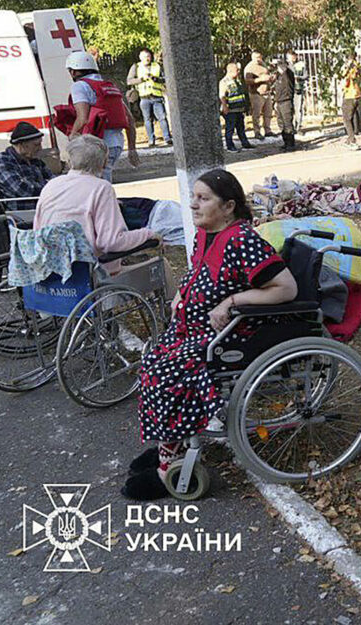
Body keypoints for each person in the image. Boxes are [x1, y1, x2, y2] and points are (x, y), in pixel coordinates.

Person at [122, 169, 298, 500]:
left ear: (229, 206)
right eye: (194, 197)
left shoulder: (243, 241)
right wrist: (182, 295)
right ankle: (169, 445)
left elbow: (286, 288)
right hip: (194, 328)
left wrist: (233, 300)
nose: (193, 205)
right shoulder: (207, 234)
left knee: (165, 372)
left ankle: (166, 470)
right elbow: (200, 271)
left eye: (204, 199)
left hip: (231, 335)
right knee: (152, 362)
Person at [33, 135, 156, 273]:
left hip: (50, 270)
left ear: (70, 160)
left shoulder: (52, 185)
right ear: (103, 163)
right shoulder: (101, 188)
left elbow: (37, 229)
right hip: (91, 273)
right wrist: (148, 234)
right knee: (160, 267)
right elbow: (111, 242)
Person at [65, 50, 138, 183]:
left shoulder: (80, 86)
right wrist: (132, 149)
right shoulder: (109, 86)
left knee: (95, 185)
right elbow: (130, 118)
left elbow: (83, 118)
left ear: (73, 71)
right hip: (116, 144)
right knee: (102, 181)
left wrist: (73, 135)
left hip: (96, 144)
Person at [0, 122, 54, 208]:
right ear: (22, 145)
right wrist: (51, 187)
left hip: (43, 207)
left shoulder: (34, 159)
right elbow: (23, 190)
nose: (40, 148)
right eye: (36, 145)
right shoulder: (2, 161)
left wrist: (55, 185)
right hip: (20, 214)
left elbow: (53, 179)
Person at [126, 49, 171, 147]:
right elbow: (129, 81)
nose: (147, 59)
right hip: (144, 97)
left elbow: (165, 79)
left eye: (148, 56)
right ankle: (151, 140)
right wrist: (141, 79)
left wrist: (155, 78)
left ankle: (167, 138)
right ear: (140, 58)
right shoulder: (136, 67)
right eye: (144, 57)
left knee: (162, 118)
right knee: (147, 119)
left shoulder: (157, 66)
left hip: (157, 97)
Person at [218, 62, 253, 152]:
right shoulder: (224, 82)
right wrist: (225, 107)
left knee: (241, 127)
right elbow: (222, 96)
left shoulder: (237, 80)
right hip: (230, 109)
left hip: (239, 108)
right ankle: (230, 146)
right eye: (236, 70)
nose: (238, 72)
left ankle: (245, 143)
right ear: (230, 71)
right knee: (230, 129)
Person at [243, 50, 275, 140]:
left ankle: (267, 130)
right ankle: (257, 131)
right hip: (256, 93)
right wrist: (260, 79)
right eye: (256, 58)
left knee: (268, 112)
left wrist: (270, 78)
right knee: (256, 113)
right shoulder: (249, 68)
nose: (258, 60)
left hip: (267, 92)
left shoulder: (263, 64)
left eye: (260, 57)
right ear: (252, 57)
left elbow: (267, 73)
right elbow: (247, 81)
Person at [273, 56, 298, 152]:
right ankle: (286, 142)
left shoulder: (288, 74)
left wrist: (285, 68)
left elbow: (287, 74)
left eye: (280, 65)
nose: (278, 68)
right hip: (279, 101)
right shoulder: (279, 75)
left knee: (287, 123)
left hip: (286, 101)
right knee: (281, 123)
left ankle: (291, 144)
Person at [341, 61, 361, 149]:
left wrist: (347, 69)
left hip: (349, 96)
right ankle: (349, 139)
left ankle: (352, 140)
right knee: (352, 117)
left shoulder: (351, 70)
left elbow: (345, 79)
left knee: (347, 119)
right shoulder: (358, 68)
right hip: (357, 95)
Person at [286, 50, 307, 133]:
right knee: (289, 109)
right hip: (288, 90)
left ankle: (298, 127)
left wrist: (299, 78)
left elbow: (305, 75)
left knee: (298, 109)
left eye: (294, 57)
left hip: (298, 89)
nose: (293, 59)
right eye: (291, 57)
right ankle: (289, 127)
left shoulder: (301, 64)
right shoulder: (285, 66)